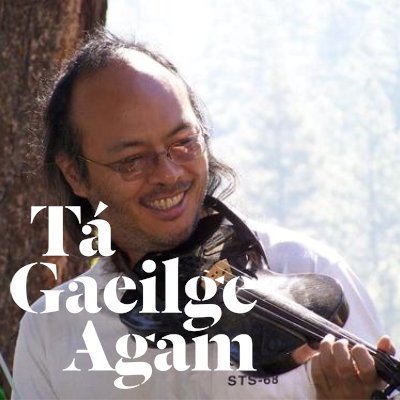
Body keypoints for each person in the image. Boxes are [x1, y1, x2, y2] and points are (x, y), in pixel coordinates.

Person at [12, 30, 395, 400]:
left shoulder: (309, 269)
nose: (169, 174)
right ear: (75, 174)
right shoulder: (51, 332)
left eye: (183, 142)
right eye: (131, 160)